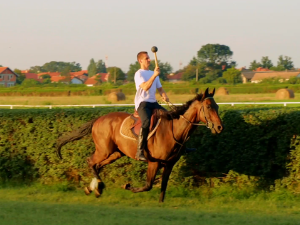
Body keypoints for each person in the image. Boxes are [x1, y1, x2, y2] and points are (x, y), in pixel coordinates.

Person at [134, 51, 169, 161]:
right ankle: (139, 151)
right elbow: (145, 87)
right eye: (147, 58)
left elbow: (160, 89)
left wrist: (164, 95)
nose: (149, 60)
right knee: (146, 122)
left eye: (149, 58)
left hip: (153, 103)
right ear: (140, 61)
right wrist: (154, 75)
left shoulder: (154, 74)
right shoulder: (139, 74)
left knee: (171, 117)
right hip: (143, 103)